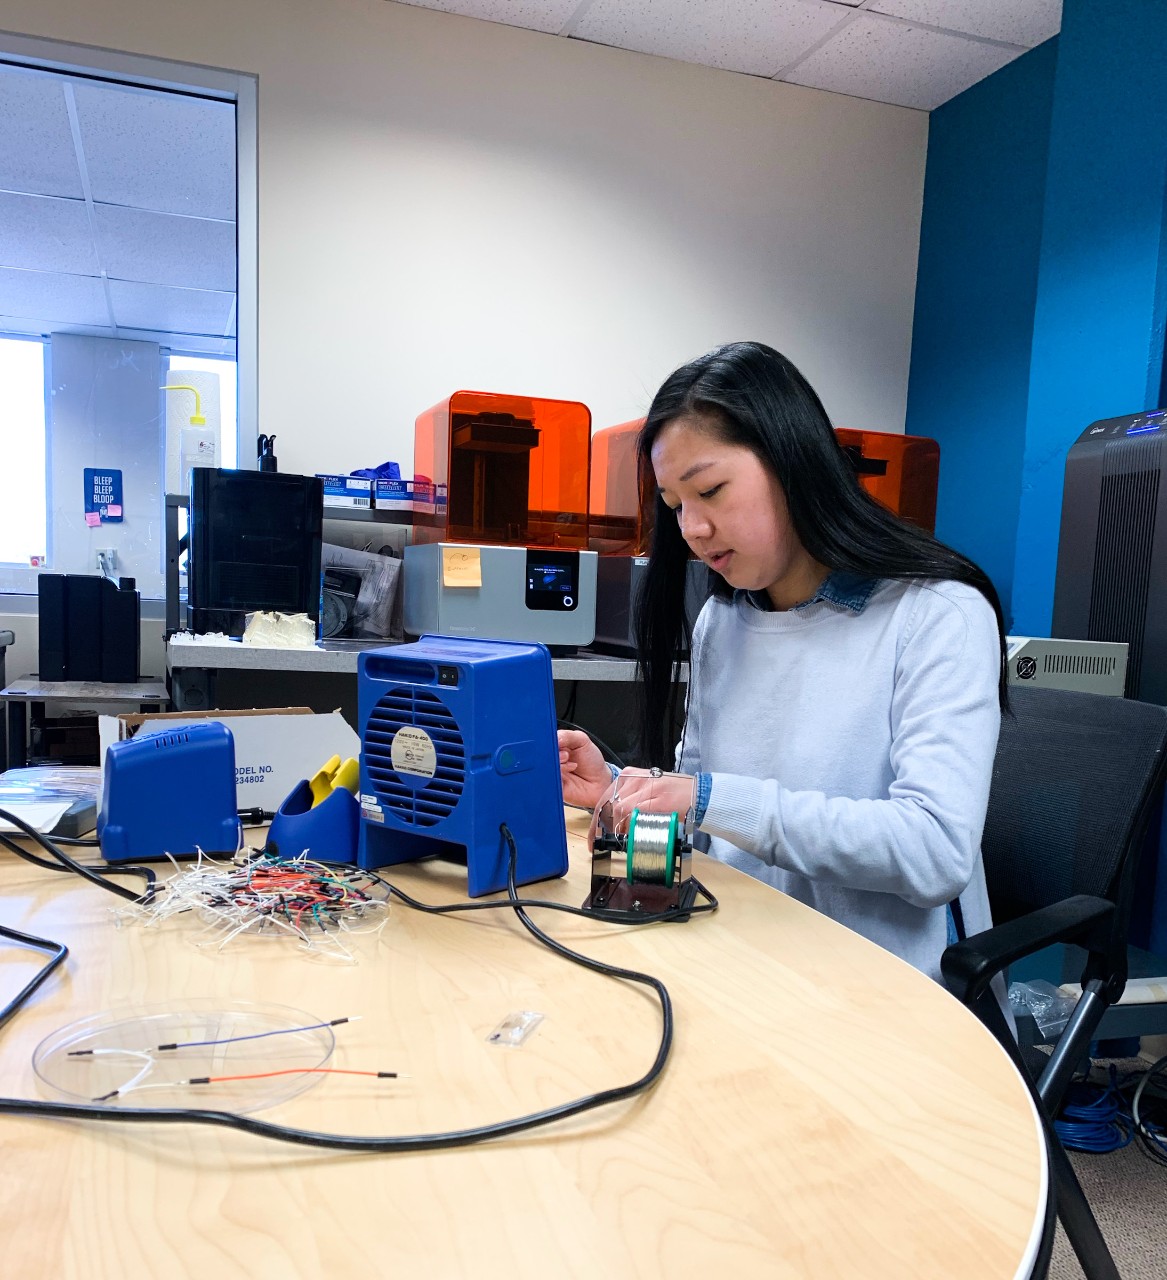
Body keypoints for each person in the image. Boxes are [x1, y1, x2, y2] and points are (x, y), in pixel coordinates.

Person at [559, 340, 1007, 983]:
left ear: (793, 461)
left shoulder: (937, 615)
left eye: (710, 489)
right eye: (676, 503)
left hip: (886, 985)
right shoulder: (724, 620)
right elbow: (709, 830)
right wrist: (624, 796)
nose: (692, 528)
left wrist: (707, 797)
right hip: (747, 954)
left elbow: (934, 852)